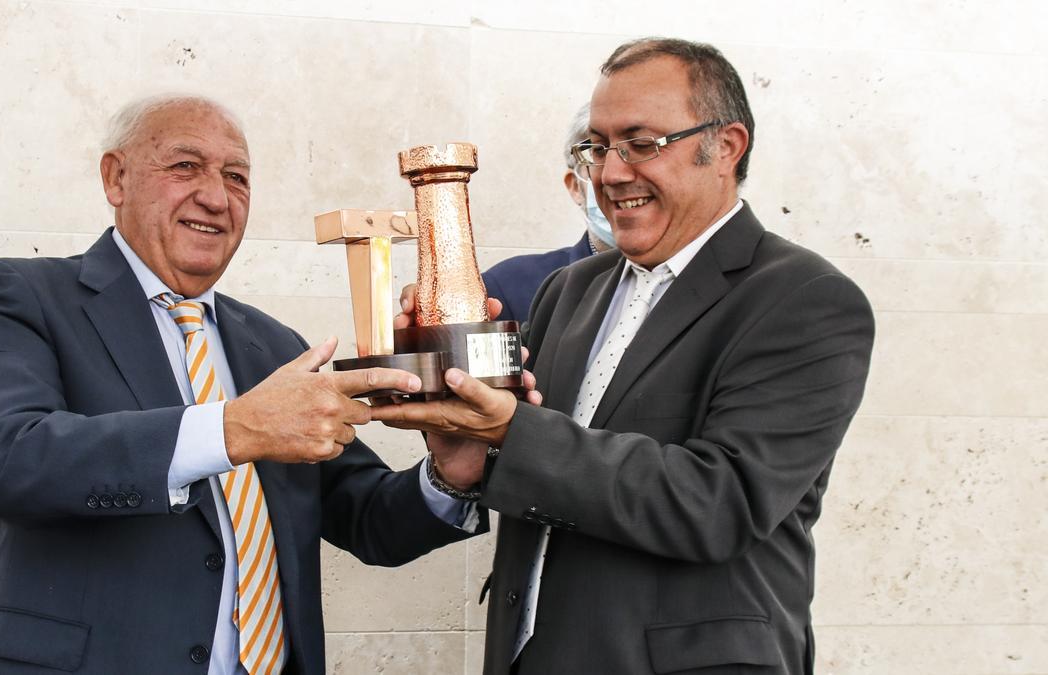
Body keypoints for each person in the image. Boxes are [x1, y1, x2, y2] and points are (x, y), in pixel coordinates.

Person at [372, 37, 875, 674]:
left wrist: (511, 429)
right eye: (598, 146)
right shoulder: (572, 287)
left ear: (726, 147)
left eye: (641, 144)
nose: (610, 172)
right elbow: (539, 464)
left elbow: (718, 503)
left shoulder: (805, 299)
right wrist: (468, 458)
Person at [0, 94, 493, 674]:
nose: (214, 196)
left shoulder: (274, 345)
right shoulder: (23, 294)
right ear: (116, 177)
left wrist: (451, 473)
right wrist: (231, 430)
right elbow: (1, 457)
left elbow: (367, 519)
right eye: (184, 166)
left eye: (236, 177)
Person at [481, 103, 614, 324]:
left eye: (640, 147)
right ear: (574, 187)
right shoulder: (507, 287)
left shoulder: (687, 282)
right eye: (599, 154)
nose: (617, 177)